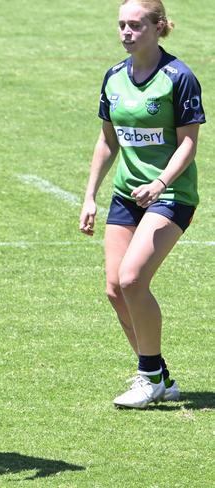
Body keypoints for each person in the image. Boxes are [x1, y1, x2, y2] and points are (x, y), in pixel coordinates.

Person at [79, 0, 205, 408]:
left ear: (158, 27)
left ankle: (148, 378)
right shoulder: (114, 76)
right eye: (121, 25)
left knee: (133, 279)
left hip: (171, 195)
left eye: (135, 25)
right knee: (116, 289)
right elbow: (107, 139)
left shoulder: (178, 78)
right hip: (126, 195)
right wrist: (89, 197)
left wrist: (161, 181)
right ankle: (157, 375)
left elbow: (188, 142)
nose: (126, 33)